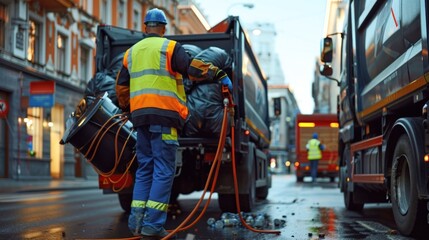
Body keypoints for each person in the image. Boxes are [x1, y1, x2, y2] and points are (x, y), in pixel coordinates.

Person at [115, 8, 232, 239]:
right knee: (163, 170)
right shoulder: (169, 48)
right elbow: (192, 69)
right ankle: (153, 225)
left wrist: (129, 109)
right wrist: (218, 74)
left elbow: (121, 88)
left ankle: (136, 222)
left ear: (145, 28)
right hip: (164, 119)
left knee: (145, 169)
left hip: (141, 120)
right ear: (164, 29)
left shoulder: (131, 53)